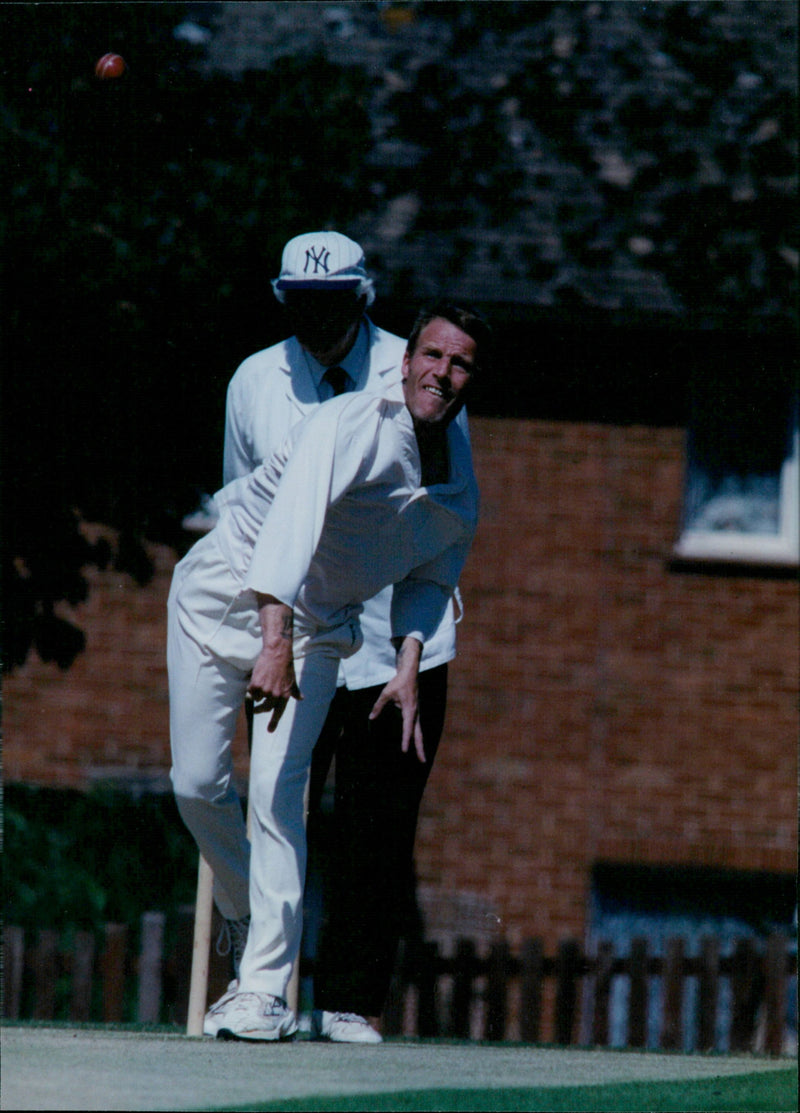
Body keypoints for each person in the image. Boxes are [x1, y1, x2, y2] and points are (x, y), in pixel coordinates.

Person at [168, 303, 487, 1041]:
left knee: (278, 795)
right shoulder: (345, 427)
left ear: (473, 379)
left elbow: (429, 582)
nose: (442, 373)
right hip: (224, 593)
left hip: (317, 627)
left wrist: (407, 664)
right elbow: (290, 528)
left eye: (460, 363)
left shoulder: (459, 485)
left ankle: (263, 991)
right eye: (432, 355)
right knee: (196, 784)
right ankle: (248, 908)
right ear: (404, 362)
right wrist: (269, 641)